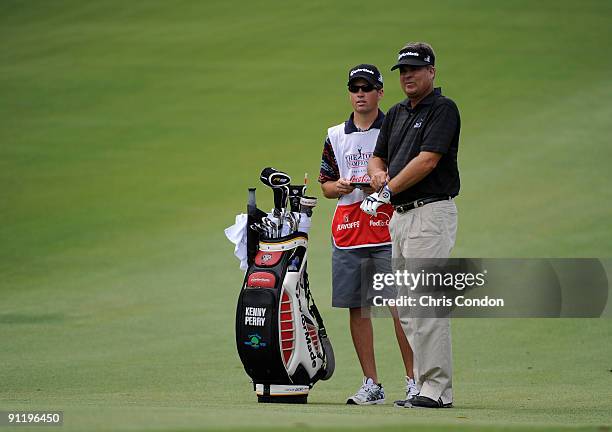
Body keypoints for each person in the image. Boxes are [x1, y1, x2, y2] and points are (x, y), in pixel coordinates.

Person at [361, 42, 461, 408]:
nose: (408, 76)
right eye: (403, 70)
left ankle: (438, 390)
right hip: (401, 218)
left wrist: (386, 190)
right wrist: (377, 175)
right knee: (405, 306)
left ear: (431, 72)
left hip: (430, 213)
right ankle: (421, 385)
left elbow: (428, 161)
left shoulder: (443, 109)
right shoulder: (398, 113)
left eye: (415, 69)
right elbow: (377, 156)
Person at [319, 64, 416, 405]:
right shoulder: (335, 134)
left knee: (399, 306)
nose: (360, 93)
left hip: (387, 226)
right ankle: (371, 384)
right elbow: (326, 184)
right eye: (355, 88)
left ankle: (414, 381)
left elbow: (408, 171)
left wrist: (386, 177)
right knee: (357, 308)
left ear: (379, 92)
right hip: (348, 229)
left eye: (367, 87)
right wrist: (338, 186)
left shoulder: (396, 126)